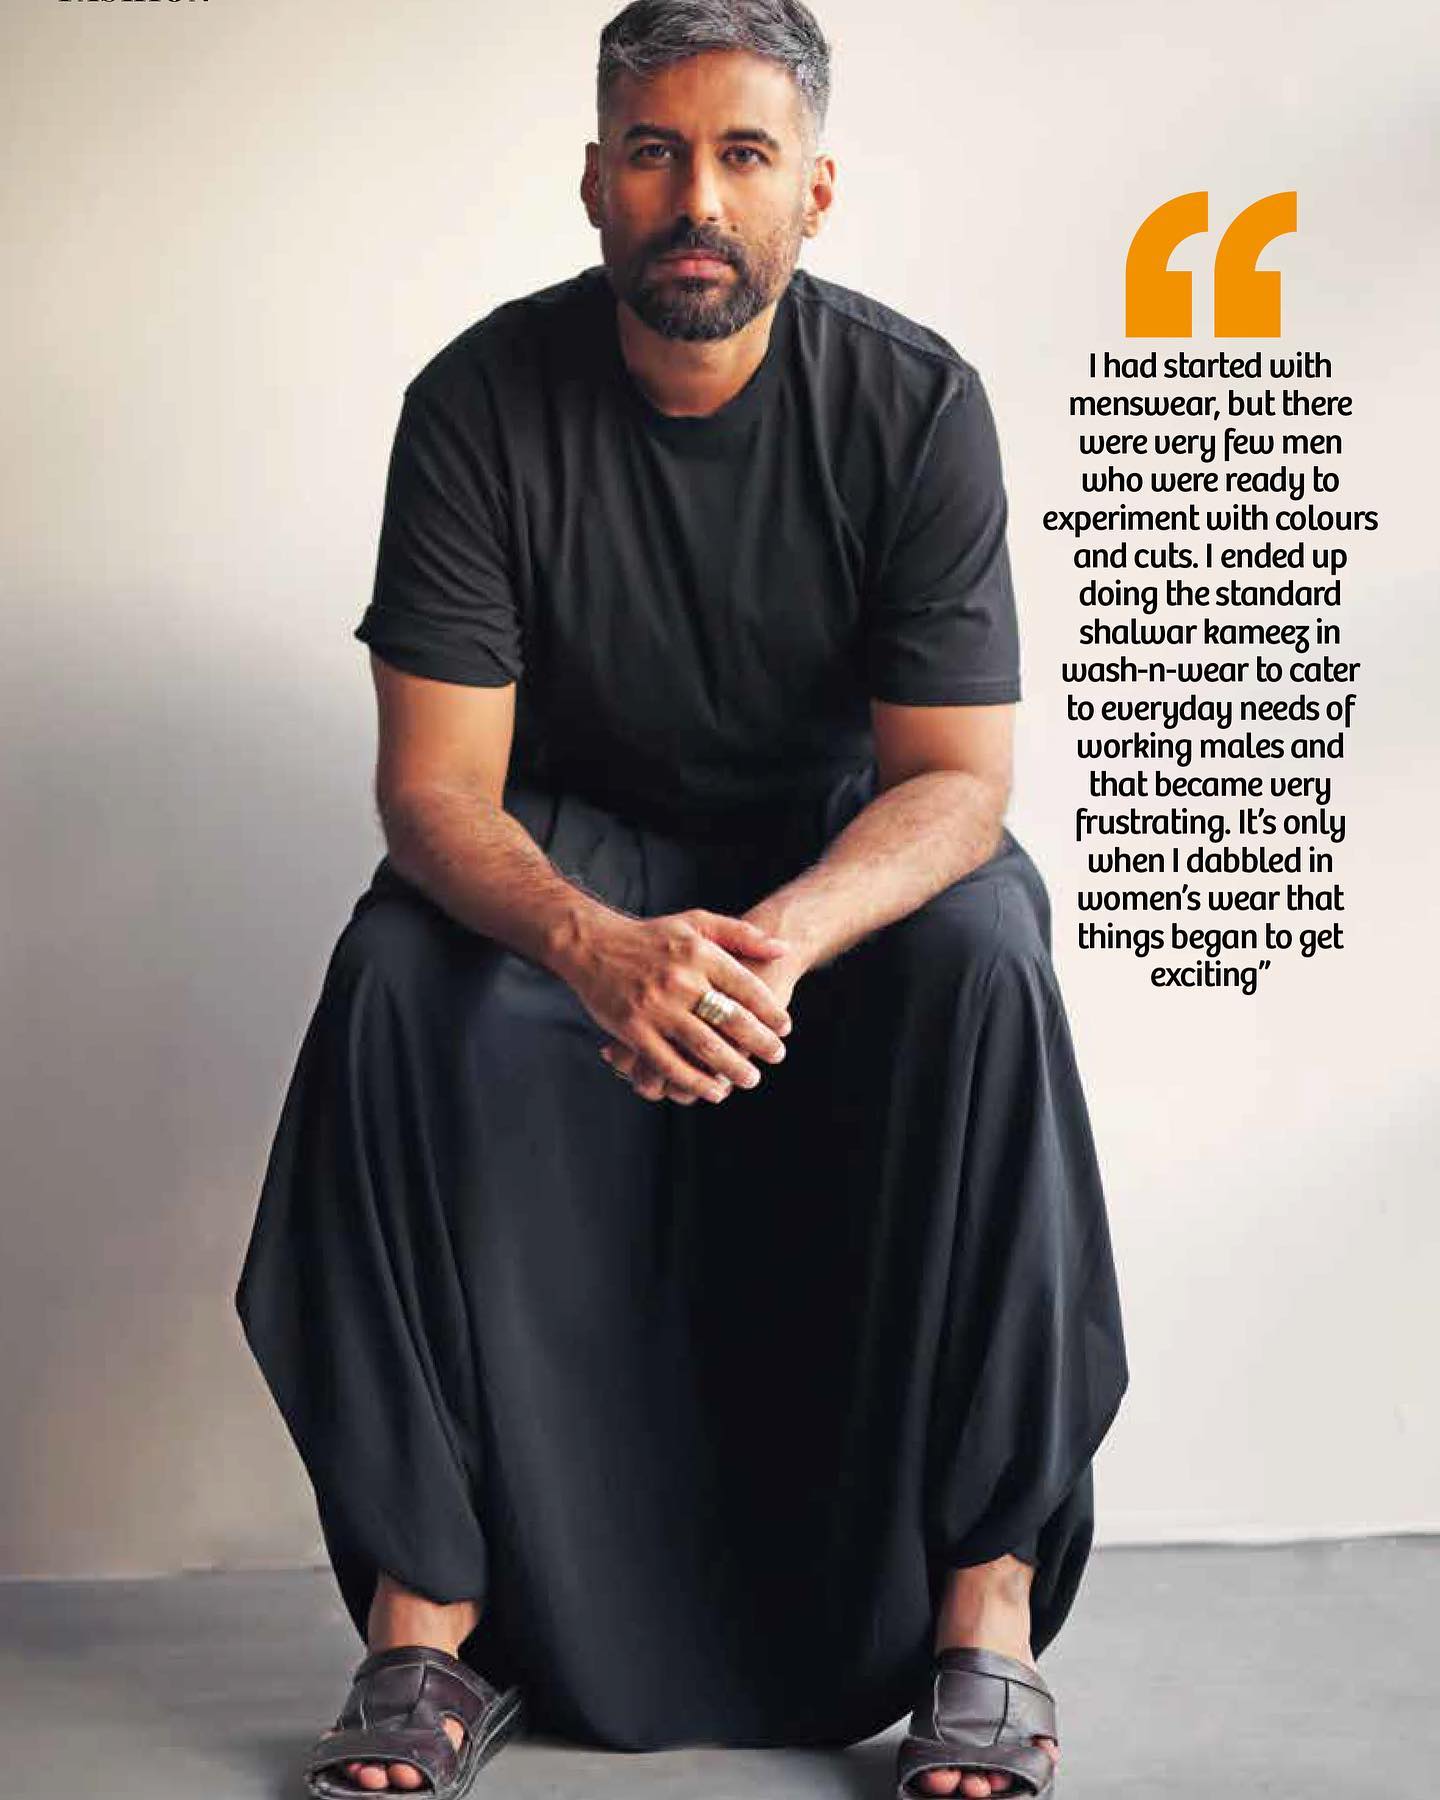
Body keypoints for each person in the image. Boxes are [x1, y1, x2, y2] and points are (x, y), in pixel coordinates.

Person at [233, 3, 1129, 1796]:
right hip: (569, 854)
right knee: (396, 971)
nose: (696, 198)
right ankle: (424, 1629)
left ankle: (987, 1620)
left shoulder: (916, 404)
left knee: (990, 957)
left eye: (740, 155)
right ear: (596, 181)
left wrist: (772, 946)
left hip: (831, 864)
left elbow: (959, 781)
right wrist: (590, 941)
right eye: (654, 152)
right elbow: (435, 791)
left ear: (814, 192)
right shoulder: (476, 405)